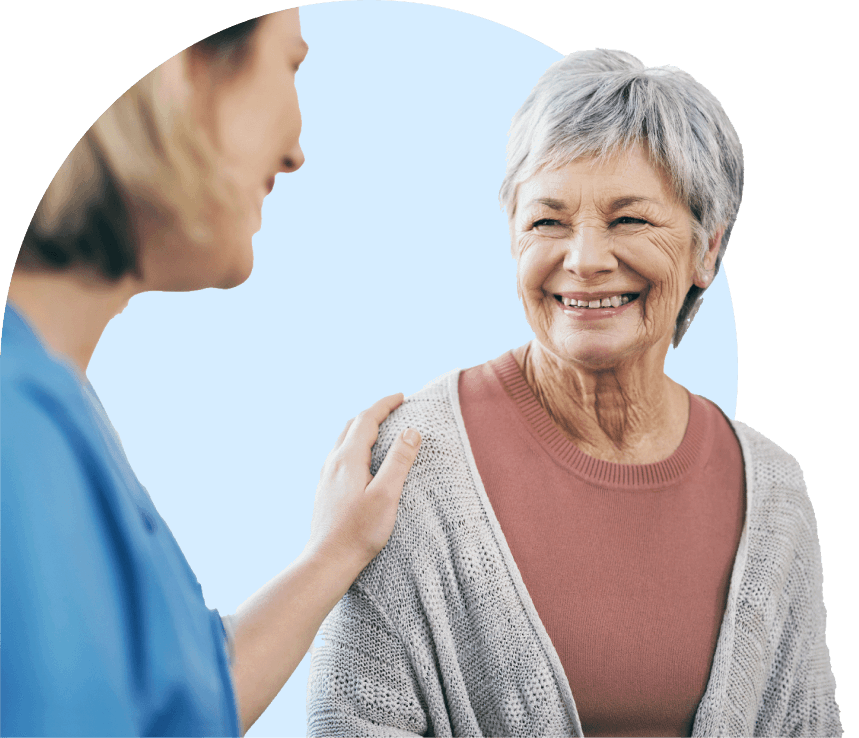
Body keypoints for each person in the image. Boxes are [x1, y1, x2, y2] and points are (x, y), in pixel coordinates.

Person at [307, 49, 842, 738]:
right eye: (547, 221)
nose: (584, 258)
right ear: (512, 237)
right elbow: (350, 721)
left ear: (707, 250)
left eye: (628, 220)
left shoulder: (772, 490)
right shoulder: (409, 467)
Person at [1, 10, 423, 737]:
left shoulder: (64, 416)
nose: (295, 151)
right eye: (289, 65)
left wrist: (339, 549)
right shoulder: (19, 428)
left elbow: (176, 702)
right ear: (181, 66)